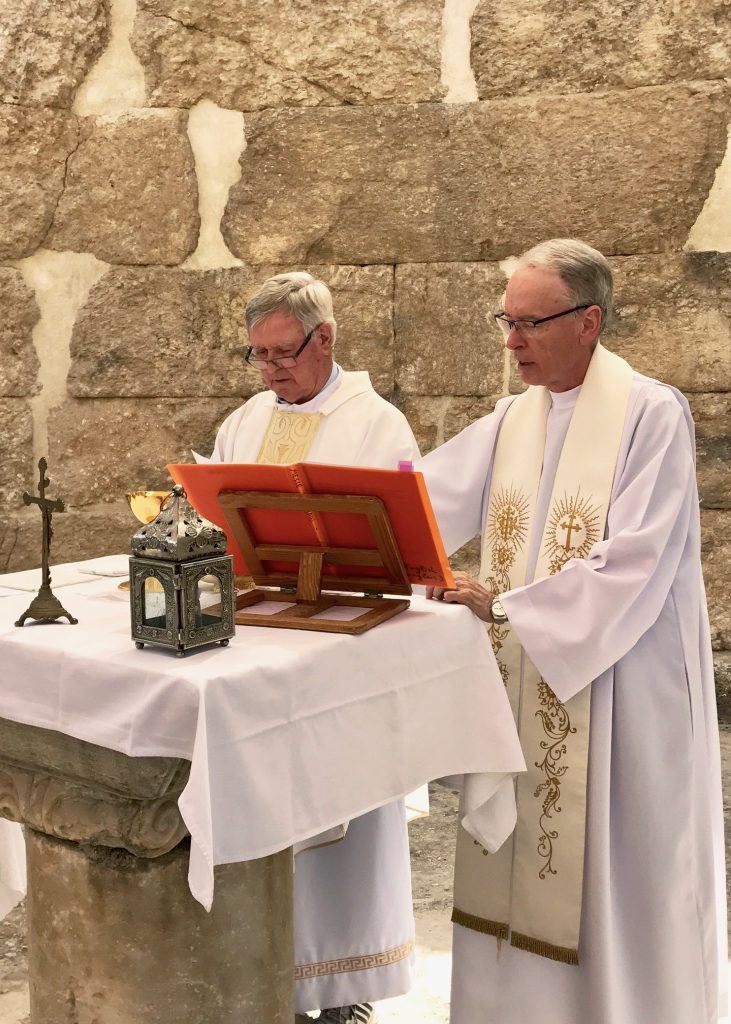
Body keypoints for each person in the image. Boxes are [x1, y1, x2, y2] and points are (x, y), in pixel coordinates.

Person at [420, 239, 727, 1024]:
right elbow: (422, 501)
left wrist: (508, 609)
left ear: (588, 320)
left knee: (615, 870)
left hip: (623, 684)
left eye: (529, 323)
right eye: (505, 321)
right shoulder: (508, 420)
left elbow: (635, 559)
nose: (510, 341)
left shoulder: (650, 413)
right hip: (525, 675)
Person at [209, 272, 421, 1024]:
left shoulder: (377, 425)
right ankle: (269, 973)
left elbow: (399, 541)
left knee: (348, 817)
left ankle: (346, 985)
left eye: (282, 352)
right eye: (256, 354)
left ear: (324, 338)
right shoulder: (243, 421)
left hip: (341, 647)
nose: (269, 368)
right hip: (264, 641)